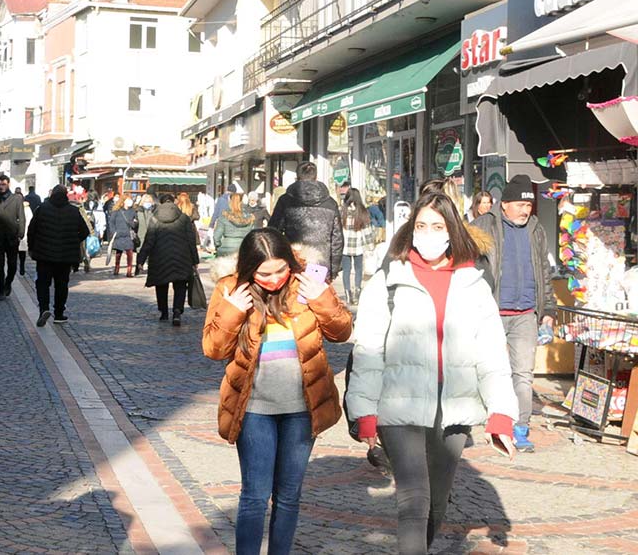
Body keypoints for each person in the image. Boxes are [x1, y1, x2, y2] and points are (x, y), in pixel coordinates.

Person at [347, 191, 518, 554]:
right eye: (422, 226)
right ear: (411, 229)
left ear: (452, 230)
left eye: (438, 226)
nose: (428, 234)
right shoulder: (387, 281)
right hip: (399, 405)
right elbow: (368, 352)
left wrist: (501, 414)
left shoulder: (474, 284)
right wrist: (364, 412)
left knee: (436, 502)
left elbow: (492, 355)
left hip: (454, 408)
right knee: (413, 501)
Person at [203, 228, 351, 555]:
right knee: (255, 496)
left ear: (290, 263)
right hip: (254, 410)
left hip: (302, 409)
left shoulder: (307, 283)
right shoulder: (231, 288)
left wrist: (322, 298)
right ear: (249, 269)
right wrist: (232, 311)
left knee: (288, 496)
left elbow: (341, 332)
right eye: (264, 274)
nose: (274, 280)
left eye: (281, 270)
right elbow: (213, 349)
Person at [471, 176, 556, 453]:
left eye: (528, 205)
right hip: (491, 312)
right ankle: (485, 418)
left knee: (523, 374)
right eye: (520, 205)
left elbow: (543, 270)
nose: (525, 210)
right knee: (487, 369)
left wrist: (548, 310)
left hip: (526, 313)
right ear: (505, 204)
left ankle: (520, 428)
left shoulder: (536, 230)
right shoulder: (484, 225)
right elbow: (466, 265)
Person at [28, 185, 91, 326]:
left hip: (44, 255)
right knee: (61, 285)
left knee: (43, 283)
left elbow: (31, 230)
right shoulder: (73, 211)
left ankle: (44, 308)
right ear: (65, 195)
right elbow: (85, 231)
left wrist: (32, 248)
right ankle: (59, 313)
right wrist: (73, 240)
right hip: (65, 256)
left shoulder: (42, 209)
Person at [267, 162, 343, 280]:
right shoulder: (330, 204)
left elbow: (273, 233)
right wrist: (334, 270)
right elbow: (337, 240)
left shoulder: (285, 201)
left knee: (293, 291)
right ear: (316, 177)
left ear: (297, 177)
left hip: (294, 261)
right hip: (321, 264)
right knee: (316, 291)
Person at [138, 194, 199, 326]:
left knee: (161, 285)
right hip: (181, 258)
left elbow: (148, 241)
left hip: (159, 258)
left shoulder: (154, 219)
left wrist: (140, 260)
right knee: (180, 286)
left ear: (160, 203)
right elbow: (191, 241)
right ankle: (177, 312)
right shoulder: (184, 218)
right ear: (174, 203)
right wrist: (195, 260)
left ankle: (164, 312)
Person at [0, 174, 27, 300]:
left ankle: (8, 283)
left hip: (12, 238)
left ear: (8, 184)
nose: (1, 186)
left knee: (12, 266)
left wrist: (20, 234)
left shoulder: (16, 199)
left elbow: (21, 217)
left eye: (3, 184)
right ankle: (1, 290)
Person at [340, 188, 375, 305]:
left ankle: (347, 294)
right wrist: (370, 246)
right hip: (358, 246)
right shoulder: (362, 212)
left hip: (344, 246)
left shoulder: (343, 211)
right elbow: (367, 231)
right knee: (358, 269)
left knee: (346, 270)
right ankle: (357, 293)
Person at [213, 192, 256, 259]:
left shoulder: (224, 217)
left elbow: (216, 236)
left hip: (226, 249)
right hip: (243, 249)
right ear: (241, 202)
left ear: (230, 202)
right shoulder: (249, 218)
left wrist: (218, 246)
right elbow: (253, 236)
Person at [108, 197, 138, 277]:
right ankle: (117, 268)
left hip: (128, 235)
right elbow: (111, 222)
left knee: (130, 253)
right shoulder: (116, 211)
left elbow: (135, 223)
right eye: (128, 200)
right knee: (118, 253)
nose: (130, 201)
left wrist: (133, 223)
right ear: (123, 201)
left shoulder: (133, 211)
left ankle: (129, 271)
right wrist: (114, 232)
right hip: (119, 235)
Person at [134, 194, 153, 276]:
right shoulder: (138, 211)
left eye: (149, 201)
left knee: (151, 253)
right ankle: (137, 269)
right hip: (140, 234)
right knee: (140, 252)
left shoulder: (154, 211)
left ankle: (151, 269)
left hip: (151, 234)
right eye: (146, 201)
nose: (147, 203)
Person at [19, 200, 34, 277]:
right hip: (23, 233)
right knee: (22, 252)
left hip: (20, 233)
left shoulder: (26, 209)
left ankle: (21, 266)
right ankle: (21, 266)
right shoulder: (27, 209)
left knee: (20, 252)